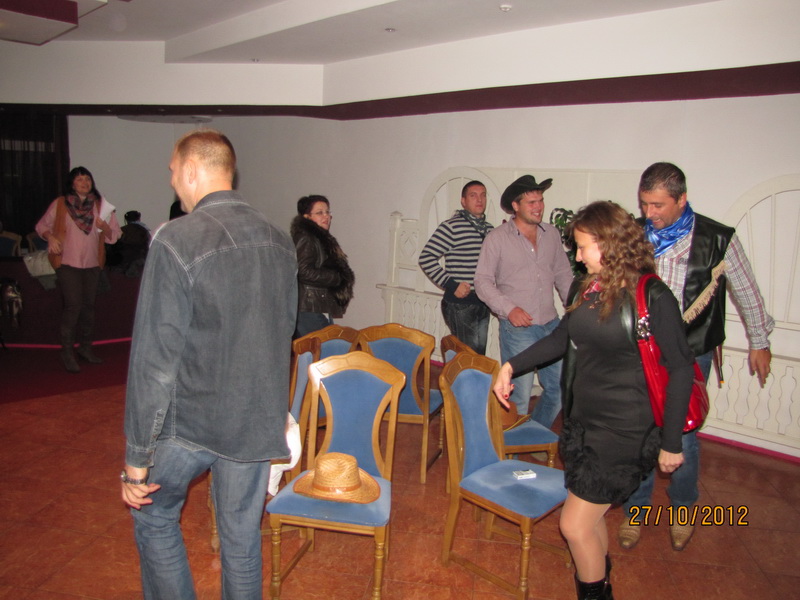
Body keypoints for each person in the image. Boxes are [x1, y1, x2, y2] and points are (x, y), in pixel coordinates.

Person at [121, 130, 298, 599]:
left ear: (192, 169)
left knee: (153, 515)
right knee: (241, 541)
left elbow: (154, 359)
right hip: (253, 420)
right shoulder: (279, 240)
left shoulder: (176, 238)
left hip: (191, 421)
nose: (172, 179)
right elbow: (282, 334)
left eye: (173, 170)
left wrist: (137, 456)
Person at [493, 201, 694, 600]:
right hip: (584, 422)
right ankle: (601, 575)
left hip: (624, 429)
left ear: (609, 243)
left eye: (583, 247)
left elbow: (681, 369)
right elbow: (560, 339)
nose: (579, 256)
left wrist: (672, 441)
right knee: (590, 511)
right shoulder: (589, 287)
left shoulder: (652, 295)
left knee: (574, 524)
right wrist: (511, 366)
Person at [620, 162, 775, 552]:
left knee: (684, 434)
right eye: (644, 203)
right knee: (641, 431)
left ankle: (683, 509)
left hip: (690, 351)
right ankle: (635, 510)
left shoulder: (717, 238)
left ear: (681, 199)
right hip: (641, 349)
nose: (648, 213)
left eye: (657, 205)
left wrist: (759, 342)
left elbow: (747, 292)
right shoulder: (635, 234)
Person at [474, 174, 573, 427]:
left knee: (559, 388)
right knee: (519, 395)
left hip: (551, 326)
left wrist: (575, 308)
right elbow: (482, 282)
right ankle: (510, 443)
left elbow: (563, 274)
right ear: (515, 206)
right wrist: (509, 309)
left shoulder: (551, 234)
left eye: (540, 200)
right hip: (518, 329)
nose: (538, 206)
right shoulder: (497, 238)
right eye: (531, 202)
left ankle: (533, 435)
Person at [35, 166, 122, 373]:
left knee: (88, 307)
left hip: (92, 264)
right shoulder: (60, 204)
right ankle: (67, 352)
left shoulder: (101, 206)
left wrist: (105, 226)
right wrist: (51, 237)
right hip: (67, 263)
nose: (84, 183)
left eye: (87, 179)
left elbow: (114, 236)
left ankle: (85, 348)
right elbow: (41, 226)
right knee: (73, 306)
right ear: (72, 183)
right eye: (80, 179)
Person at [418, 180, 493, 353]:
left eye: (483, 195)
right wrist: (452, 285)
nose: (479, 199)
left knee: (478, 357)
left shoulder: (490, 230)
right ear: (463, 201)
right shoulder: (451, 226)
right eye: (473, 195)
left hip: (483, 301)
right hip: (460, 305)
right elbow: (426, 258)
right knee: (466, 357)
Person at [290, 194, 354, 338]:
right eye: (319, 213)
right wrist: (336, 277)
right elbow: (302, 270)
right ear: (307, 217)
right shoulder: (306, 237)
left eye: (327, 212)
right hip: (308, 306)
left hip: (317, 303)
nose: (326, 216)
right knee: (325, 346)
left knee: (324, 346)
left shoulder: (319, 238)